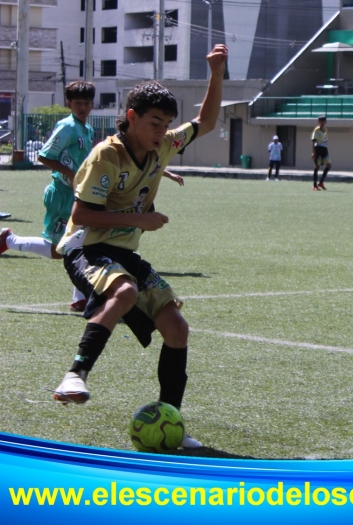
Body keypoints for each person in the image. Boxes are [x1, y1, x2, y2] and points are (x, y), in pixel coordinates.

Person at [50, 44, 229, 450]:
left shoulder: (161, 145)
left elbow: (207, 121)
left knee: (177, 328)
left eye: (166, 123)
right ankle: (75, 374)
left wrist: (216, 74)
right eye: (153, 122)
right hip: (86, 248)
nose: (162, 131)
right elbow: (82, 215)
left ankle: (172, 423)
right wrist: (140, 219)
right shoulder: (105, 155)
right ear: (131, 118)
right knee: (126, 291)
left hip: (122, 253)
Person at [0, 81, 95, 312]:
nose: (83, 107)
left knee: (84, 241)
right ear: (68, 103)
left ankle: (80, 297)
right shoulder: (67, 127)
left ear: (92, 104)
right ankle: (8, 240)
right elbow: (44, 156)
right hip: (61, 196)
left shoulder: (87, 129)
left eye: (87, 102)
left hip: (77, 195)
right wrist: (71, 174)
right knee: (58, 250)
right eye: (78, 103)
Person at [311, 116, 331, 190]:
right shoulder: (316, 130)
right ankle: (314, 185)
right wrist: (313, 152)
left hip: (324, 149)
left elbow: (326, 139)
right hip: (318, 148)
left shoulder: (325, 130)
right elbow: (313, 141)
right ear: (318, 122)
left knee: (329, 165)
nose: (323, 122)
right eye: (321, 121)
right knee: (317, 166)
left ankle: (321, 182)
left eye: (324, 121)